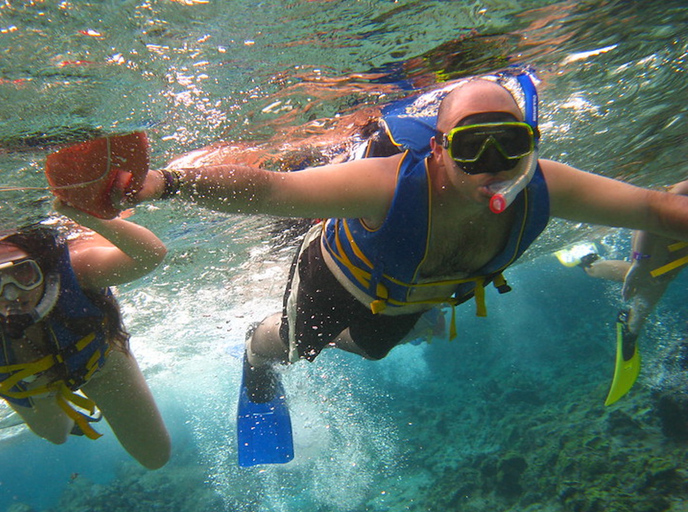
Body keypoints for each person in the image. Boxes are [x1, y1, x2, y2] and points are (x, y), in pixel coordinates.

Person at [120, 70, 688, 462]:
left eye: (509, 145)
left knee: (371, 348)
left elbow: (657, 207)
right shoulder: (389, 184)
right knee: (296, 346)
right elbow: (272, 188)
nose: (493, 166)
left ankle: (389, 326)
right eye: (471, 147)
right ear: (438, 148)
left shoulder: (546, 185)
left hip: (409, 298)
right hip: (337, 280)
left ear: (532, 143)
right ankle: (255, 346)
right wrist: (165, 183)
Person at [0, 202, 171, 470]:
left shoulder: (76, 271)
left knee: (156, 456)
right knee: (57, 435)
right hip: (32, 386)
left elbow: (151, 254)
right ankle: (54, 402)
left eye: (23, 273)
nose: (11, 293)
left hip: (103, 364)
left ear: (45, 271)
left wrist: (86, 215)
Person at [560, 180, 688, 404]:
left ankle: (630, 326)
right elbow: (650, 212)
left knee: (661, 277)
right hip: (658, 233)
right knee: (649, 277)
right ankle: (585, 260)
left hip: (678, 239)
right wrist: (640, 263)